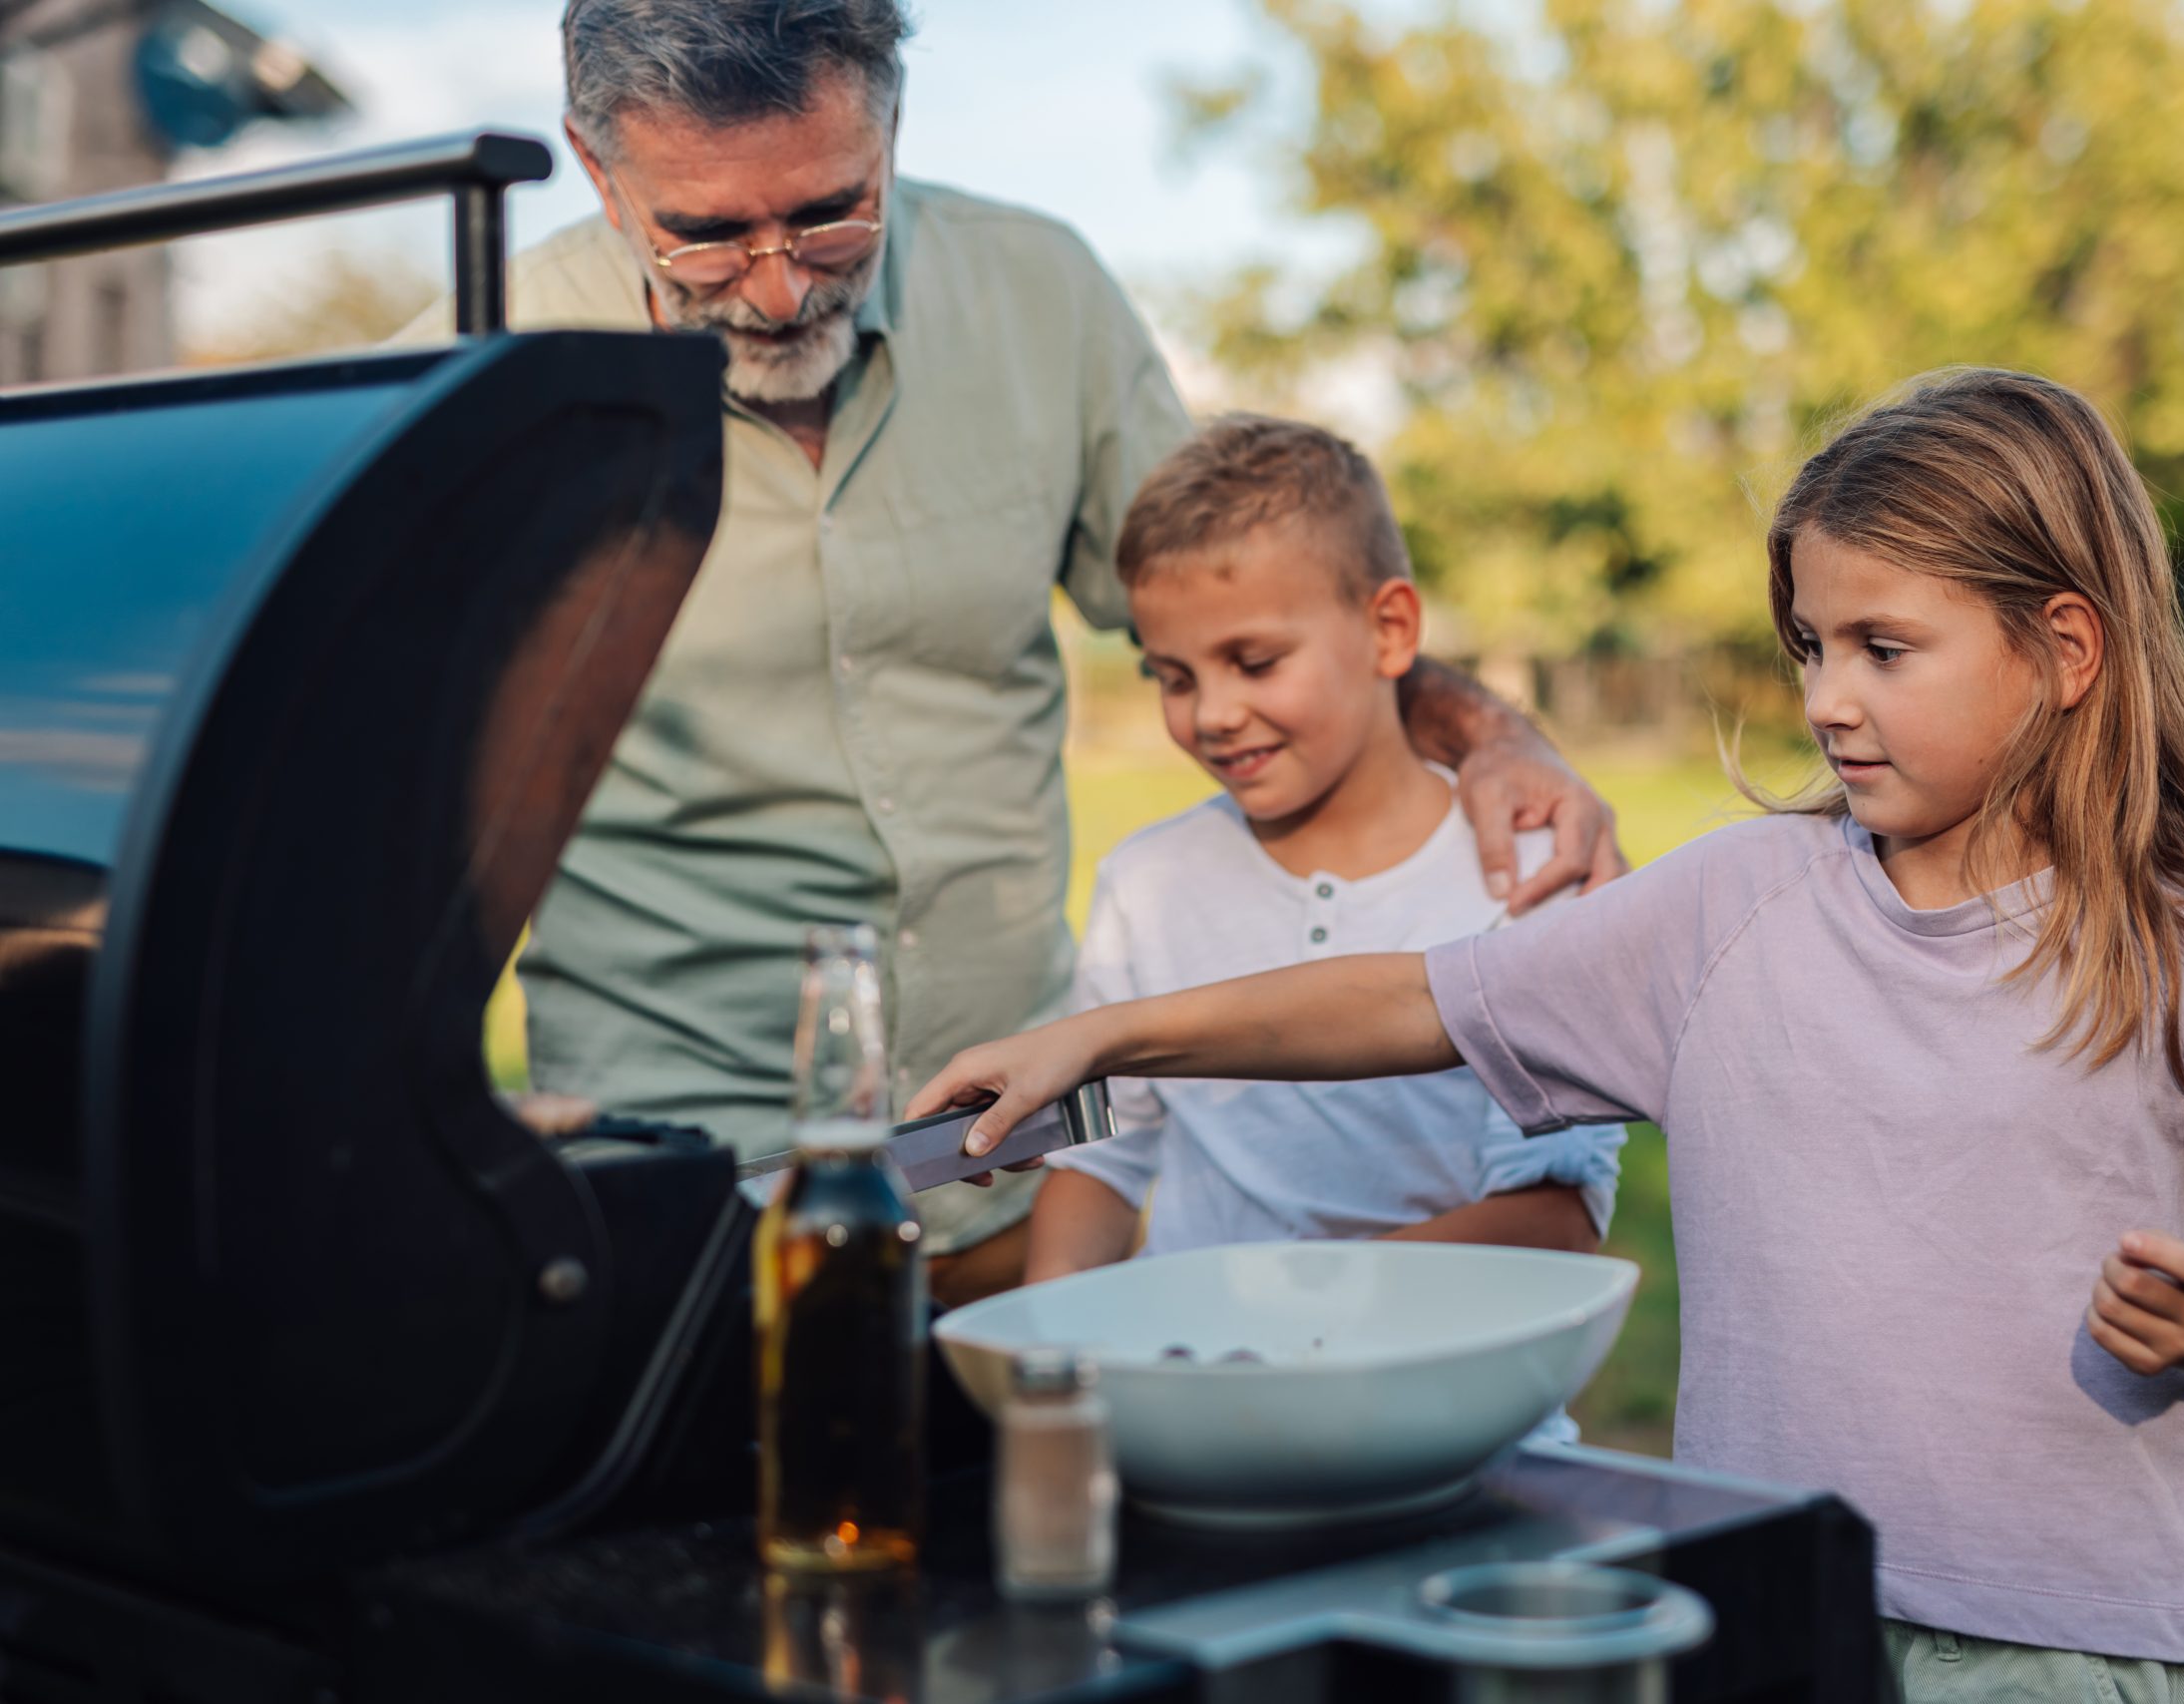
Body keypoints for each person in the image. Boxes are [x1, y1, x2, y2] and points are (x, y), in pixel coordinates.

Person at [911, 369, 2184, 1697]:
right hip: (1756, 1593)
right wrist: (1106, 1039)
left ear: (2066, 650)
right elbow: (1410, 997)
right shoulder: (1731, 907)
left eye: (1883, 648)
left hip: (2063, 1647)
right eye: (1809, 647)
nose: (1827, 700)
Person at [405, 0, 1628, 1303]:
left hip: (1015, 1165)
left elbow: (1260, 599)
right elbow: (364, 803)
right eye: (704, 236)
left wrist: (1494, 739)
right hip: (688, 1187)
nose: (778, 288)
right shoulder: (474, 374)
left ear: (890, 128)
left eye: (830, 214)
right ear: (599, 175)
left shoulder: (1040, 294)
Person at [1023, 415, 1627, 1290]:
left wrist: (1282, 1316)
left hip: (1434, 1373)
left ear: (1390, 629)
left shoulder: (1534, 872)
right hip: (1191, 1368)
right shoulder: (1145, 882)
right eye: (1175, 678)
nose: (1213, 715)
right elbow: (1103, 1167)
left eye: (1256, 662)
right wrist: (1050, 1329)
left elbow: (1555, 1216)